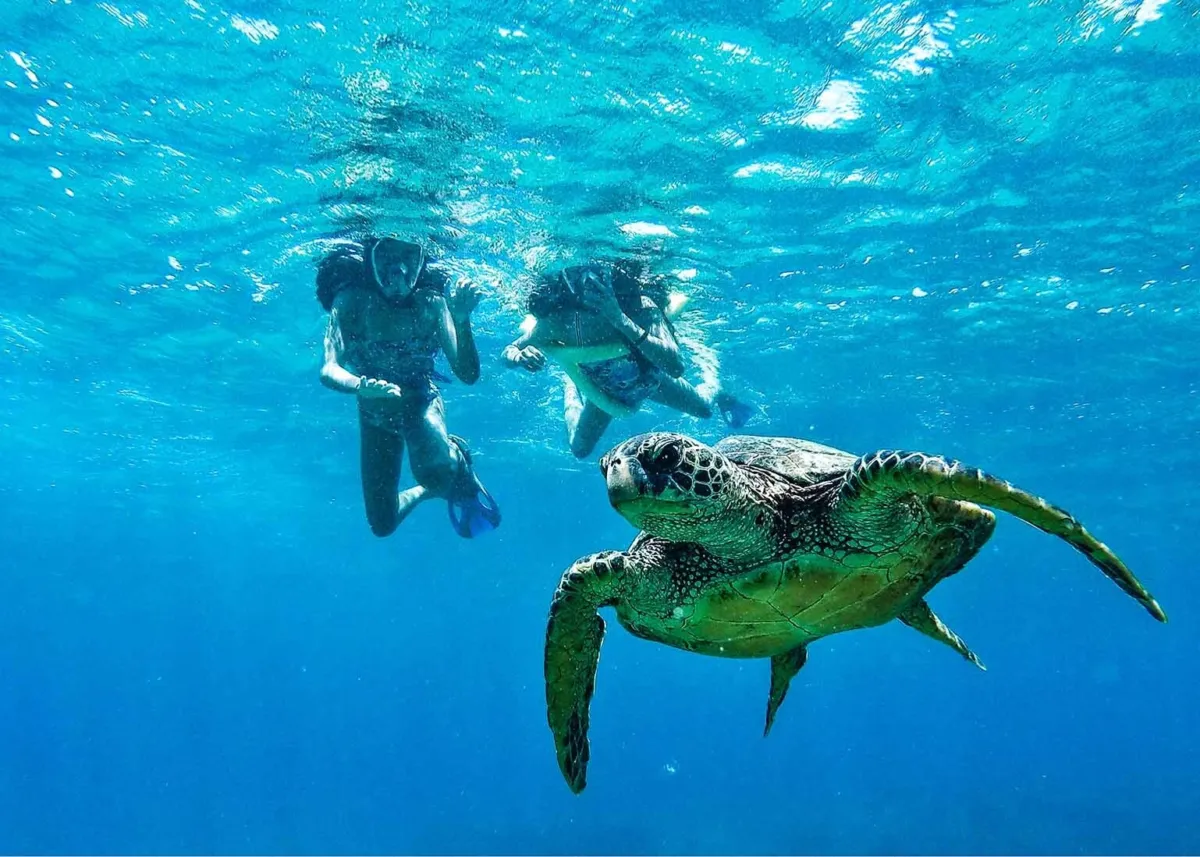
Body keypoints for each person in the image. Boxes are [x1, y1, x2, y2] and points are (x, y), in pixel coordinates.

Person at [317, 235, 501, 538]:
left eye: (409, 258)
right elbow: (328, 368)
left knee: (435, 471)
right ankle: (433, 487)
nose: (398, 270)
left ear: (420, 262)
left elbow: (467, 374)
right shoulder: (350, 301)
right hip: (374, 413)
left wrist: (462, 320)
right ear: (370, 259)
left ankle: (453, 458)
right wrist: (360, 386)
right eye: (387, 256)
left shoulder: (430, 303)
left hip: (420, 401)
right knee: (382, 524)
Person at [501, 260, 752, 458]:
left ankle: (718, 391)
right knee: (579, 449)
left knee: (706, 410)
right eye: (578, 276)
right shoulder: (561, 321)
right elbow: (509, 350)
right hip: (604, 395)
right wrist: (518, 357)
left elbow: (675, 366)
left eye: (597, 274)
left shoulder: (639, 307)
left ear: (610, 276)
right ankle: (571, 385)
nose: (589, 283)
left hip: (653, 380)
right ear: (567, 283)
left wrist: (619, 319)